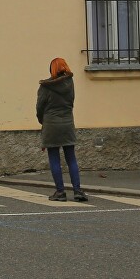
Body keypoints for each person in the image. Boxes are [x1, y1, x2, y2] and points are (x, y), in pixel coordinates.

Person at [36, 57, 87, 202]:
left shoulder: (45, 87)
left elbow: (40, 107)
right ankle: (77, 191)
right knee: (71, 158)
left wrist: (42, 121)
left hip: (51, 124)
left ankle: (60, 192)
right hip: (67, 123)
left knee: (54, 159)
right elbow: (71, 103)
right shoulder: (70, 83)